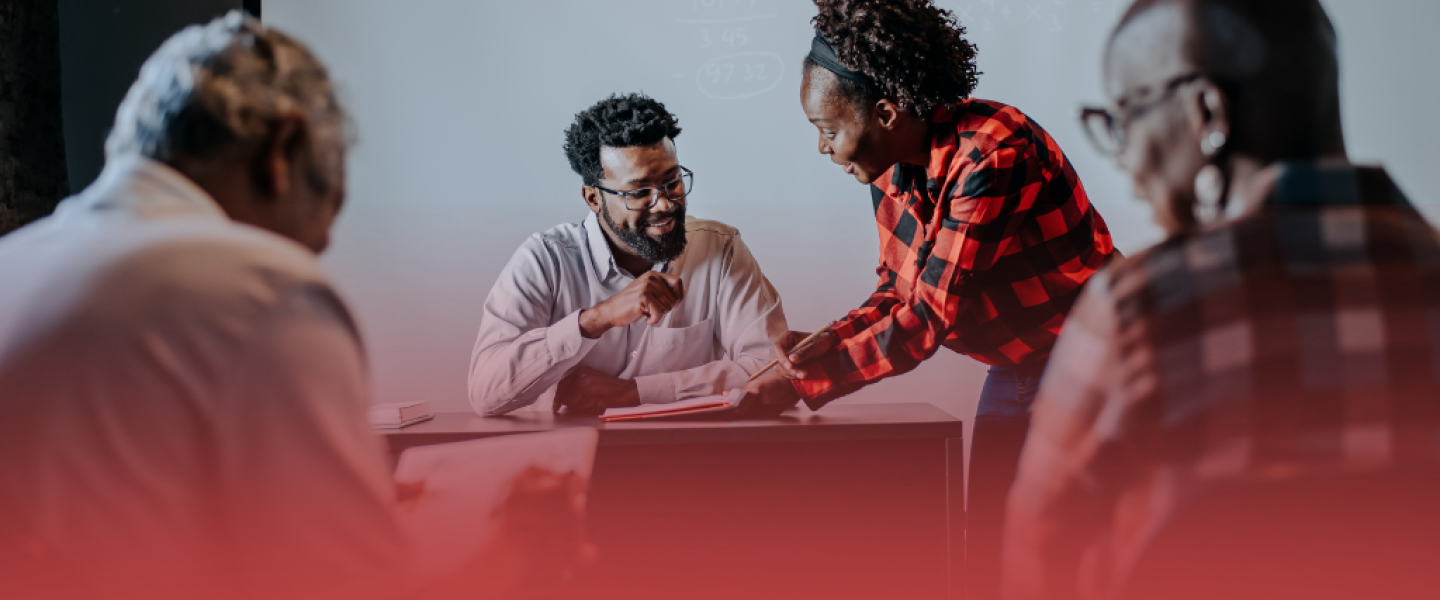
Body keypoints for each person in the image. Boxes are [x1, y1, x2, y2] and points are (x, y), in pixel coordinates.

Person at [0, 12, 586, 600]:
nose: (318, 247)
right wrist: (505, 550)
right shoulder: (261, 290)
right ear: (283, 150)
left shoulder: (14, 262)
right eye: (327, 203)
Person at [1003, 1, 1440, 599]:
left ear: (1207, 111)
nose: (1125, 157)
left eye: (1125, 118)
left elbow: (1036, 563)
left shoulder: (1137, 313)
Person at [737, 1, 1115, 596]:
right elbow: (900, 289)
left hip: (1092, 362)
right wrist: (827, 341)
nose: (822, 149)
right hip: (1020, 364)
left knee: (1060, 555)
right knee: (988, 546)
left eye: (828, 130)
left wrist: (803, 385)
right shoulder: (890, 165)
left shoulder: (993, 152)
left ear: (886, 113)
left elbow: (931, 315)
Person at [469, 93, 787, 416]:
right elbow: (485, 392)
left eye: (672, 182)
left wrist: (634, 392)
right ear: (593, 199)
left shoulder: (720, 249)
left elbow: (773, 369)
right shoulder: (544, 261)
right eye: (638, 192)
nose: (664, 204)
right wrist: (596, 320)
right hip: (571, 447)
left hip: (687, 448)